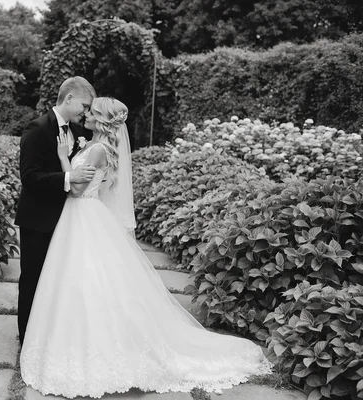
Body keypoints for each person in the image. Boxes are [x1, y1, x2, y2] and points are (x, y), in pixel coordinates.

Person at [19, 97, 273, 399]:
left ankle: (93, 347)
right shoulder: (91, 145)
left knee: (86, 282)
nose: (86, 114)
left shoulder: (98, 149)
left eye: (92, 111)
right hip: (79, 219)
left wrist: (63, 157)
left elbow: (75, 188)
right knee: (79, 283)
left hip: (83, 216)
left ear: (101, 120)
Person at [14, 76, 97, 346]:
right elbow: (30, 177)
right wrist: (68, 179)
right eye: (84, 105)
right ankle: (26, 335)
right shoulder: (37, 128)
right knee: (33, 278)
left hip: (67, 218)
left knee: (58, 279)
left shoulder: (79, 132)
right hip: (38, 219)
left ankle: (49, 329)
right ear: (69, 97)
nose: (85, 112)